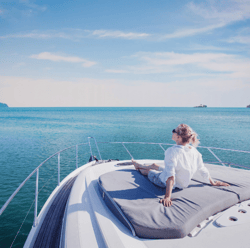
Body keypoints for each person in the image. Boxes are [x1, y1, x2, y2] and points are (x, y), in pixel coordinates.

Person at [132, 124, 229, 207]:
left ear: (178, 137)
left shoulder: (172, 151)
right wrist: (213, 183)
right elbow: (202, 169)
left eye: (174, 130)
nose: (172, 131)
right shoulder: (194, 151)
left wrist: (167, 197)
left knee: (149, 172)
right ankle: (149, 165)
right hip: (182, 182)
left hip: (164, 181)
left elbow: (170, 176)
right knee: (160, 167)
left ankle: (139, 167)